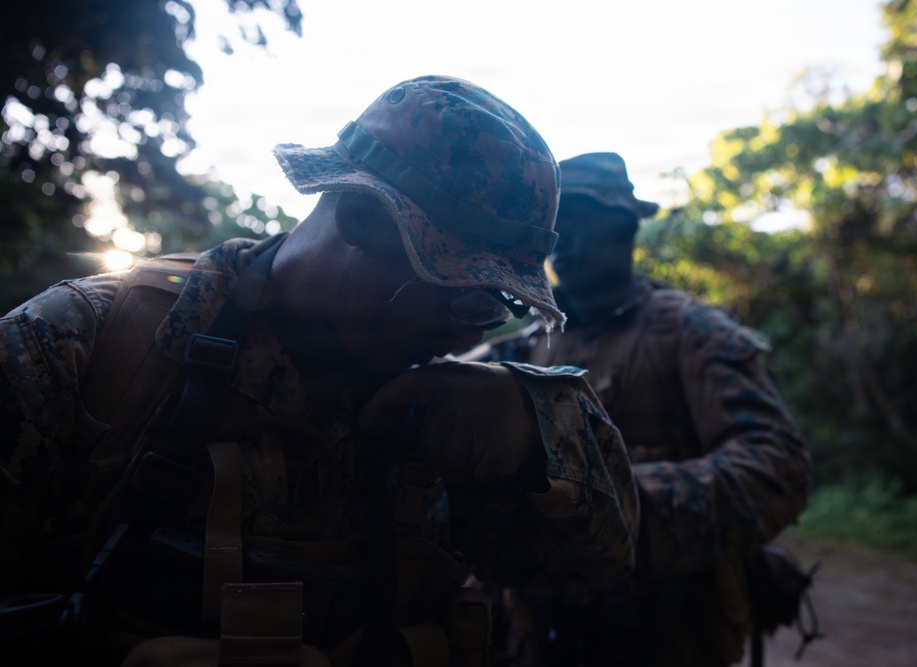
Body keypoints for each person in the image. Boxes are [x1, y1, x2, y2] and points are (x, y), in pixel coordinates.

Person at [0, 79, 639, 666]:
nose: (471, 333)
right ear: (361, 218)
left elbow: (592, 568)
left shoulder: (441, 406)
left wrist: (540, 437)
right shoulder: (86, 345)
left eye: (497, 307)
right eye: (461, 291)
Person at [472, 152, 812, 666]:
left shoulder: (689, 331)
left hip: (668, 634)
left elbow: (777, 468)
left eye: (579, 223)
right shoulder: (524, 346)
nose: (560, 245)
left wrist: (618, 509)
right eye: (553, 229)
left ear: (624, 230)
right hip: (541, 637)